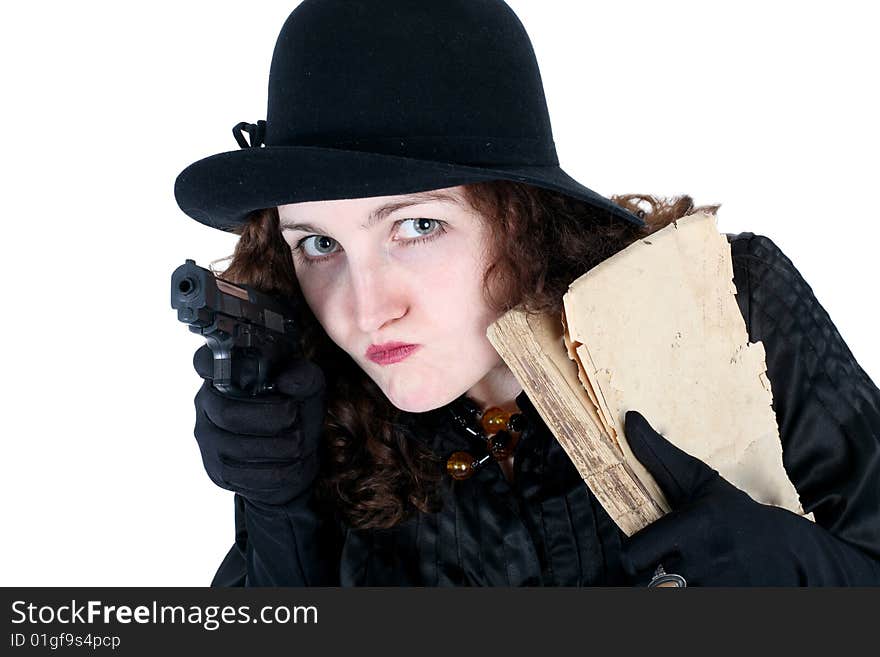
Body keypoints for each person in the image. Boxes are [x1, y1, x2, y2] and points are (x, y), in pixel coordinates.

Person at [174, 0, 880, 586]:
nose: (363, 308)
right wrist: (279, 511)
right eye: (319, 244)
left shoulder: (726, 304)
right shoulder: (318, 417)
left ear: (522, 215)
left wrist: (811, 576)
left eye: (417, 225)